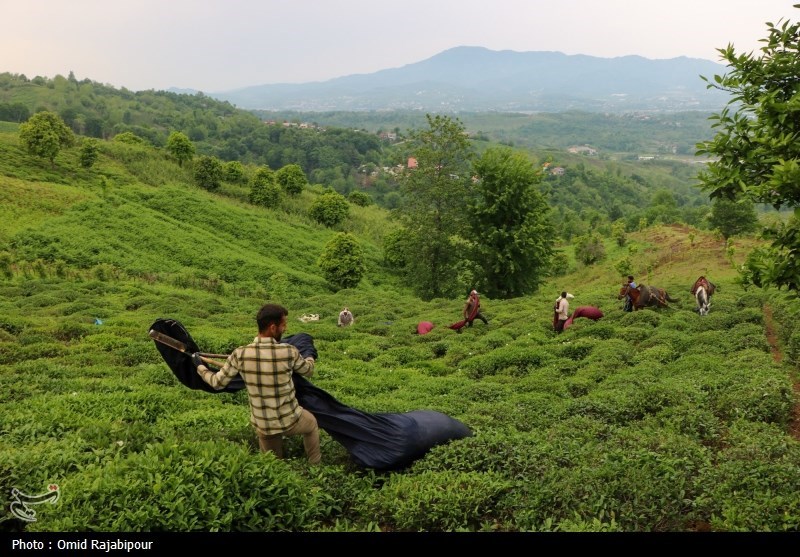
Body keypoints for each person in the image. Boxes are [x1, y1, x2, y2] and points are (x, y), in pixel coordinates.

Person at [192, 303, 321, 465]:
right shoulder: (289, 351)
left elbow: (217, 383)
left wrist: (200, 367)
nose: (285, 329)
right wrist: (309, 356)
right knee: (311, 424)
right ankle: (315, 466)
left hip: (264, 425)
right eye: (283, 325)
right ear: (273, 328)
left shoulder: (240, 354)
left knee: (273, 465)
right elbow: (308, 371)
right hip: (291, 420)